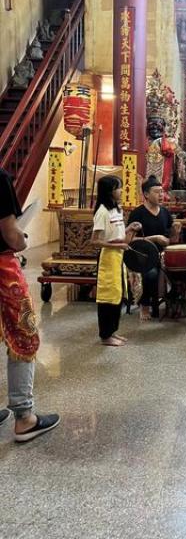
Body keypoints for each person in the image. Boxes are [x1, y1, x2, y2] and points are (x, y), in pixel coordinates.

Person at [0, 168, 60, 442]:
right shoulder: (0, 179)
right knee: (24, 335)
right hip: (2, 271)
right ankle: (24, 417)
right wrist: (22, 240)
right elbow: (12, 235)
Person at [91, 176, 142, 346]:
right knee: (108, 296)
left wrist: (129, 228)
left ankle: (113, 331)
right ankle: (105, 335)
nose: (121, 190)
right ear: (109, 191)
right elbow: (95, 241)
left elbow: (116, 233)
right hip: (108, 257)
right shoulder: (102, 212)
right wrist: (117, 246)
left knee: (118, 295)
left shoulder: (117, 210)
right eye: (118, 188)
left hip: (118, 257)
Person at [127, 175, 174, 321]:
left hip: (162, 254)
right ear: (146, 194)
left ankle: (172, 303)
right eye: (157, 192)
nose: (161, 195)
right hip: (142, 255)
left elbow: (170, 237)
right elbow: (129, 240)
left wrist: (175, 232)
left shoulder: (165, 212)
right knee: (151, 273)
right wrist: (154, 238)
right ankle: (145, 305)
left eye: (162, 192)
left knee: (180, 270)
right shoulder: (138, 213)